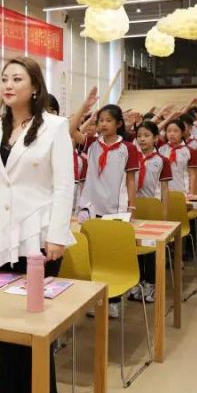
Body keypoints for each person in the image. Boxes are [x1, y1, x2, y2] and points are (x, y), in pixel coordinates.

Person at [0, 56, 74, 393]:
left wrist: (57, 235)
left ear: (34, 87)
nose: (8, 85)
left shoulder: (55, 127)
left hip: (37, 234)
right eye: (4, 79)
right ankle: (7, 391)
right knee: (6, 318)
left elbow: (64, 185)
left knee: (32, 321)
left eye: (17, 78)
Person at [77, 104, 140, 318]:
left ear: (119, 123)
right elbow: (70, 130)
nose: (103, 124)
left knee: (111, 256)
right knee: (93, 255)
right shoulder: (91, 144)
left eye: (108, 120)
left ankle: (113, 301)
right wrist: (87, 112)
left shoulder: (128, 148)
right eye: (100, 120)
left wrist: (132, 207)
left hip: (116, 209)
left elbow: (131, 180)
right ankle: (96, 298)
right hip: (92, 207)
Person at [131, 120, 172, 303]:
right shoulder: (132, 158)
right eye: (139, 136)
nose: (142, 139)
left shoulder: (162, 161)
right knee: (135, 247)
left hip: (153, 209)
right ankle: (137, 281)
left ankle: (151, 283)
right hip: (134, 208)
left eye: (146, 135)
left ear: (156, 138)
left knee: (150, 250)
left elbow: (165, 190)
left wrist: (164, 214)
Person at [159, 119, 197, 195]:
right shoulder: (161, 149)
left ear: (182, 133)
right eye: (169, 131)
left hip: (183, 192)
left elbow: (192, 174)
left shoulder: (190, 151)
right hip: (163, 192)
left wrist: (191, 193)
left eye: (175, 131)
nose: (172, 134)